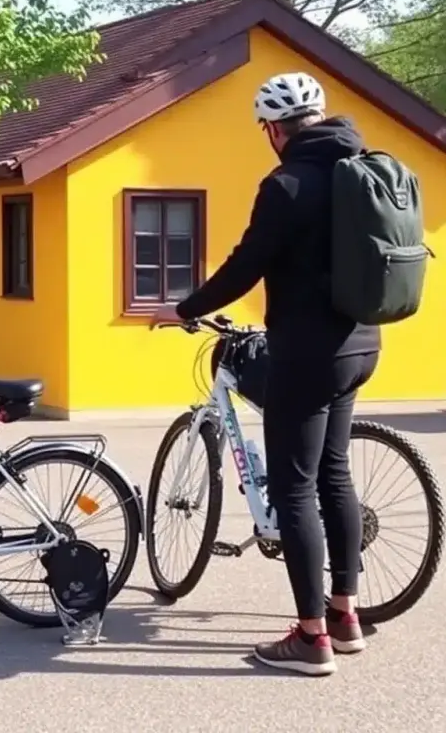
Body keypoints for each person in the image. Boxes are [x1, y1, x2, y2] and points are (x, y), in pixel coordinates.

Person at [150, 72, 380, 677]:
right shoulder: (360, 168)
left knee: (293, 487)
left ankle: (310, 639)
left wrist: (184, 308)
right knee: (333, 473)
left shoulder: (287, 184)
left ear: (274, 130)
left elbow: (245, 265)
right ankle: (344, 617)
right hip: (361, 345)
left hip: (307, 354)